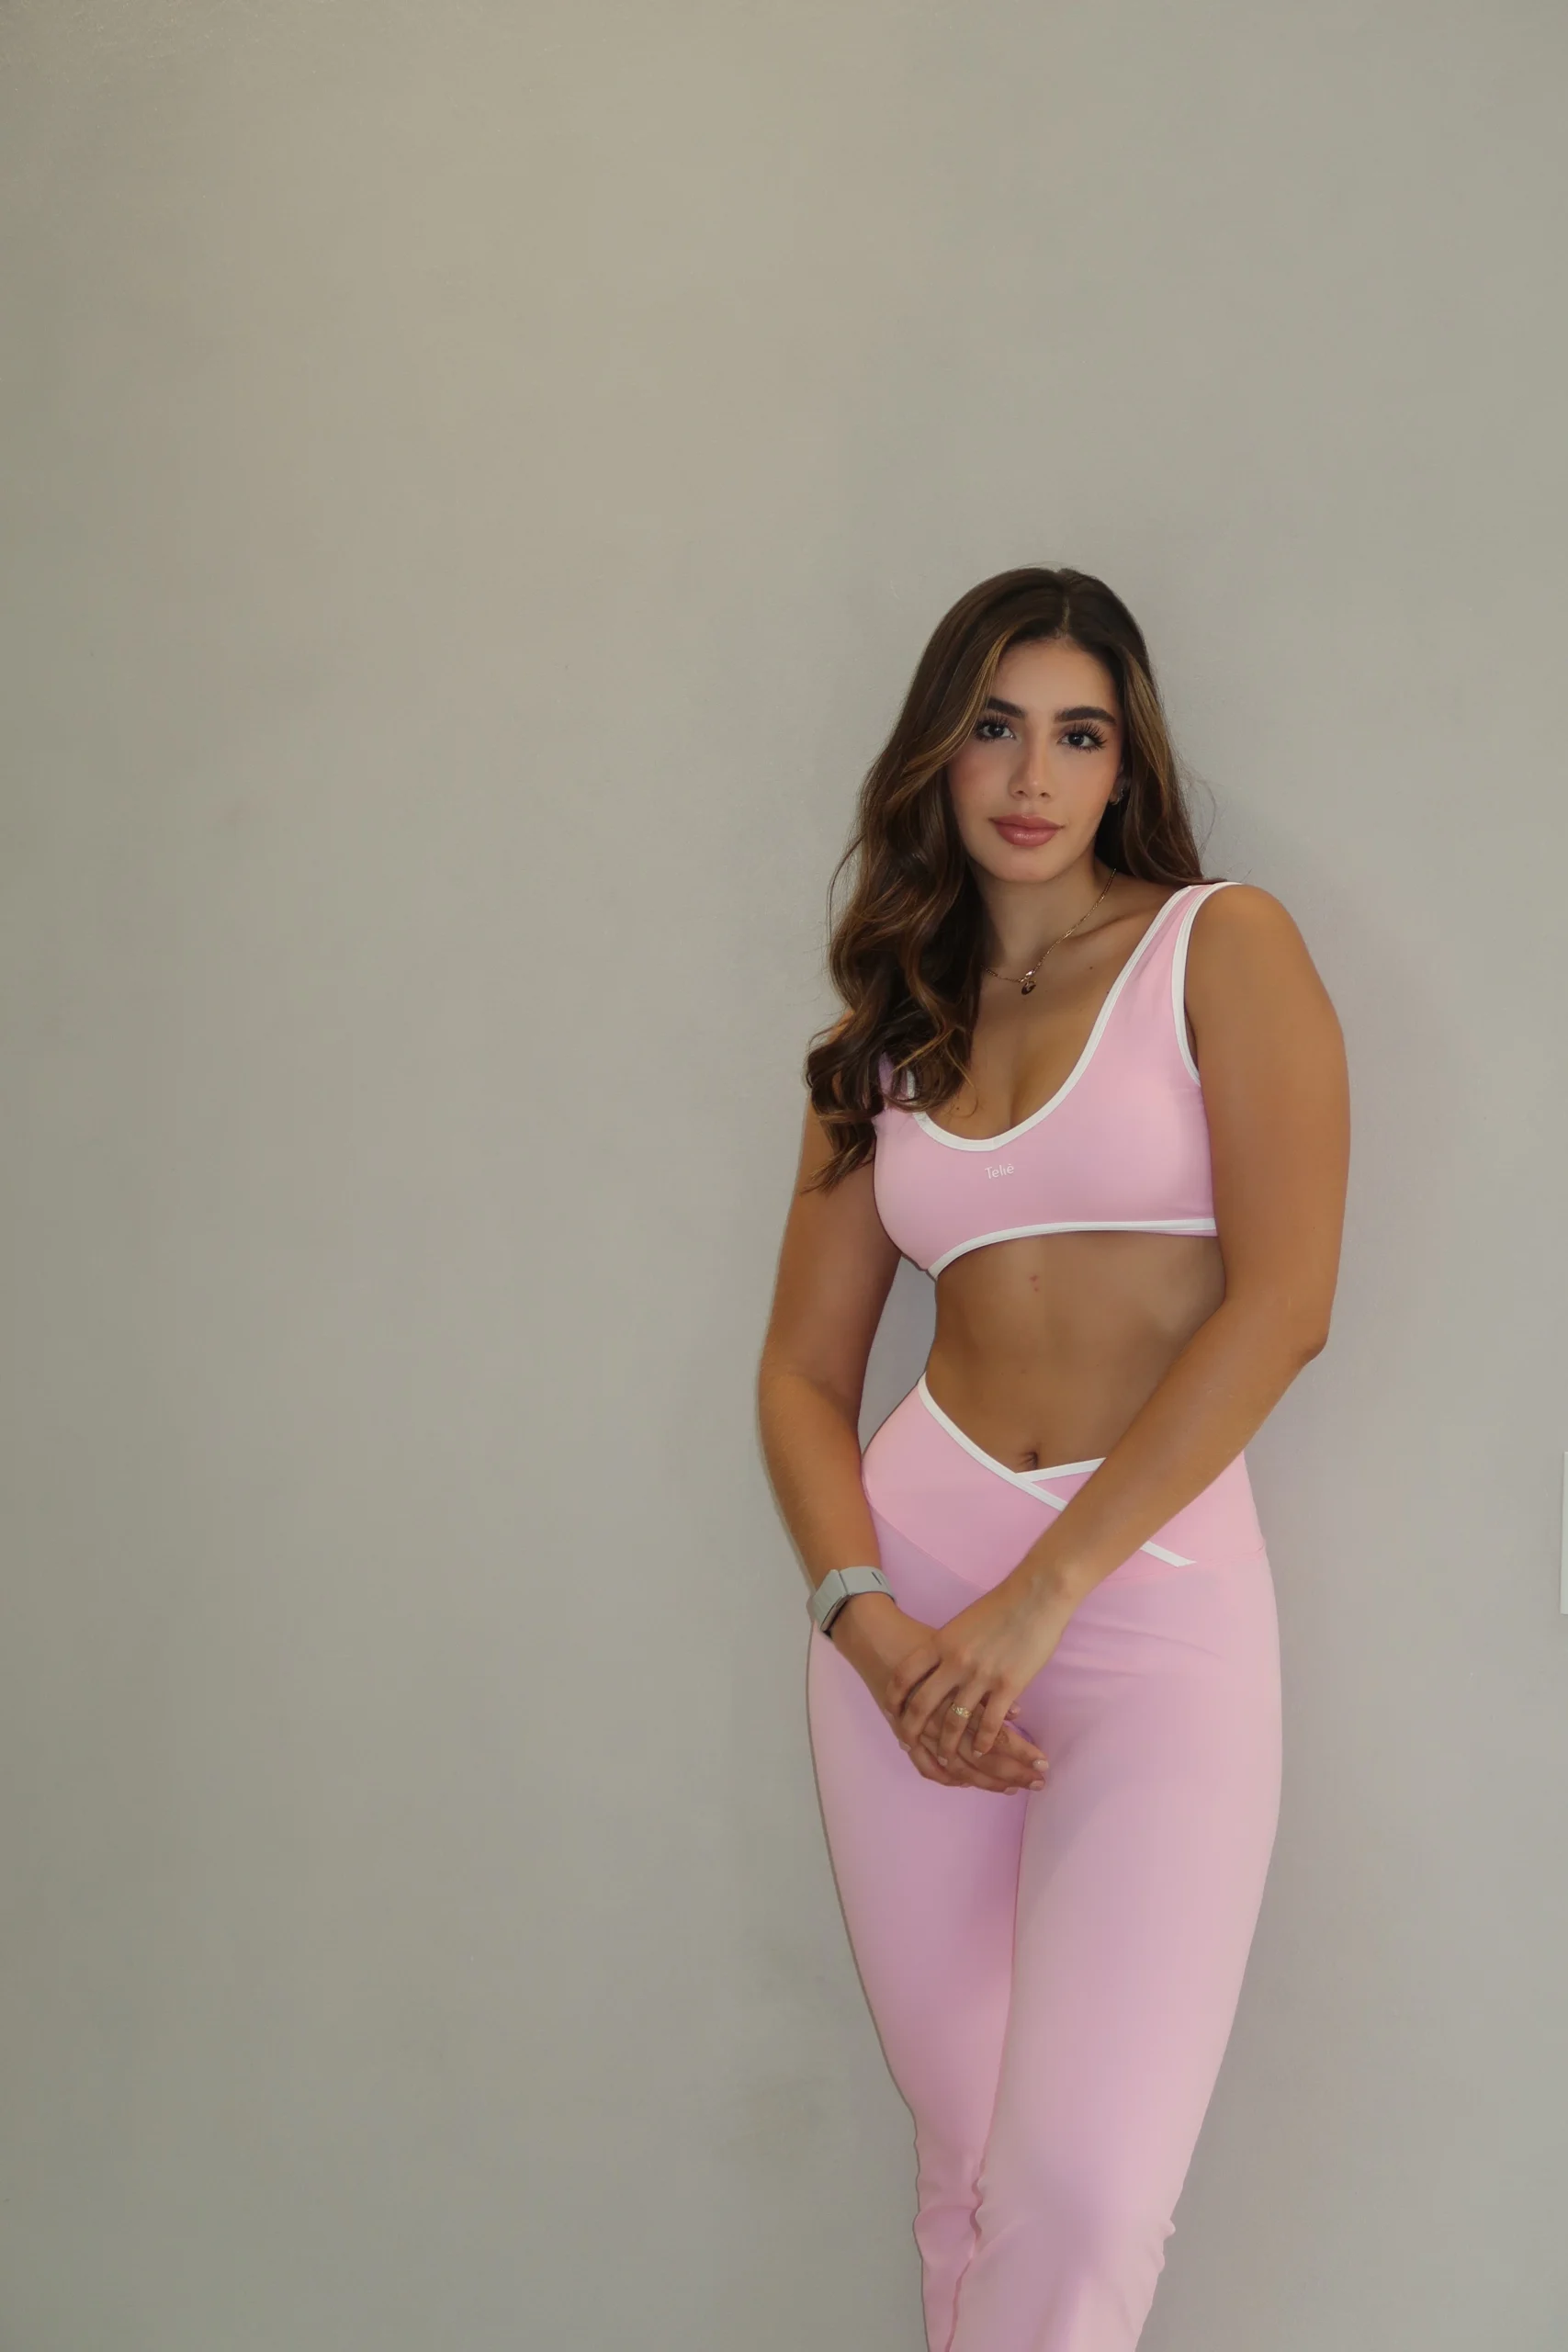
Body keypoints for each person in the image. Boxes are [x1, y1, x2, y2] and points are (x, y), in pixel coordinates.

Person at [755, 565, 1350, 2352]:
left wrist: (1042, 1596)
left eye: (1077, 735)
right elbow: (800, 1373)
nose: (1031, 775)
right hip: (910, 1624)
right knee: (968, 2171)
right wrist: (866, 1622)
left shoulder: (1219, 946)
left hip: (1140, 1603)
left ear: (1124, 762)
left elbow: (1285, 1305)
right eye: (994, 728)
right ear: (935, 755)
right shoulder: (891, 1023)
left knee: (1081, 2193)